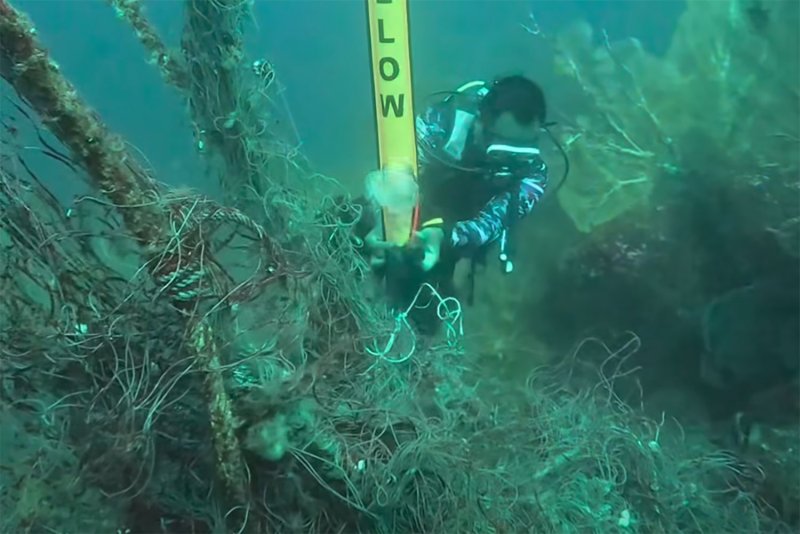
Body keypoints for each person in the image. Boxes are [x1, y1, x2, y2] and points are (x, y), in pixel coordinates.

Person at [356, 74, 552, 329]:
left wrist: (443, 236)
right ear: (481, 121)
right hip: (415, 203)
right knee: (351, 220)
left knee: (425, 315)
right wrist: (383, 213)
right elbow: (400, 169)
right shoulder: (444, 122)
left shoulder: (534, 174)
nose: (509, 162)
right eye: (501, 149)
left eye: (523, 151)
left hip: (455, 235)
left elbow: (490, 224)